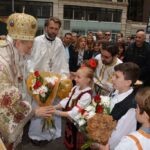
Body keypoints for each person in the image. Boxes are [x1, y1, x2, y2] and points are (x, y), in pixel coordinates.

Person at [0, 12, 52, 149]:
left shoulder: (12, 54)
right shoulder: (2, 62)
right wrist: (34, 112)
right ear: (17, 42)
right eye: (29, 47)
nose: (30, 52)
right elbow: (6, 101)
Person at [27, 17, 69, 145]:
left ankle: (51, 133)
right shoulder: (37, 41)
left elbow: (63, 63)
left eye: (56, 29)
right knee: (39, 109)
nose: (53, 31)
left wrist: (62, 78)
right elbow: (30, 60)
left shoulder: (59, 43)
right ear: (46, 27)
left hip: (54, 83)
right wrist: (35, 77)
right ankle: (37, 135)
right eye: (51, 28)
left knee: (52, 108)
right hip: (39, 82)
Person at [49, 59, 97, 150]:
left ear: (87, 80)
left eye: (78, 77)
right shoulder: (76, 87)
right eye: (76, 76)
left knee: (76, 143)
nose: (75, 79)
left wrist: (55, 112)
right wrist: (54, 106)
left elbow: (74, 113)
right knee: (69, 138)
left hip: (78, 124)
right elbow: (67, 100)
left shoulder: (86, 95)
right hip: (71, 121)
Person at [92, 62, 140, 150]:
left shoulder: (130, 107)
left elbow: (118, 136)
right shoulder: (116, 91)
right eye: (113, 75)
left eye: (117, 77)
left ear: (128, 83)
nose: (112, 78)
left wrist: (100, 145)